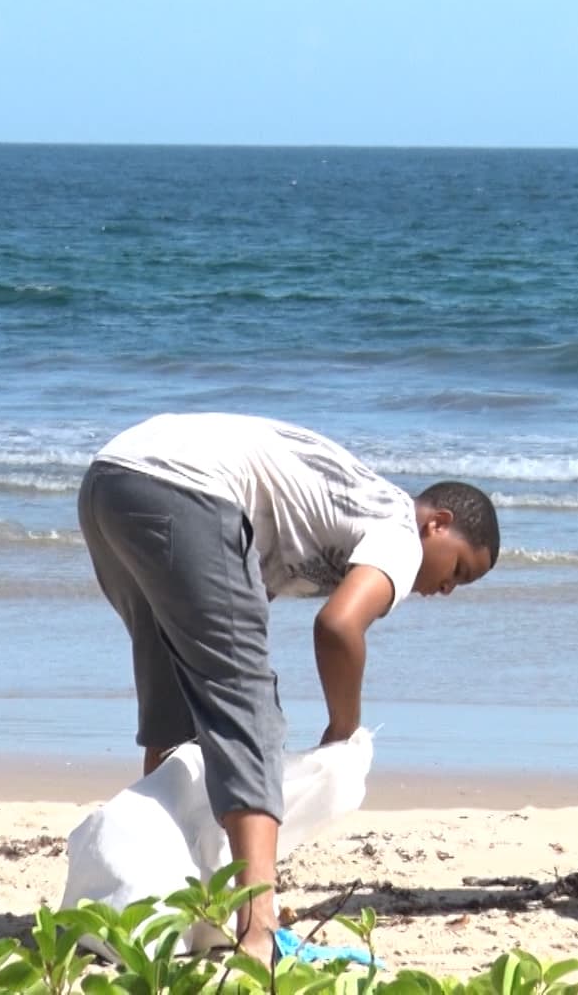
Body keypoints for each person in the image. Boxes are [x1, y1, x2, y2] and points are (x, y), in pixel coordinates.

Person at [76, 412, 501, 961]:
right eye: (460, 571)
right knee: (248, 714)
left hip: (110, 483)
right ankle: (258, 933)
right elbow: (339, 625)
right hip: (187, 489)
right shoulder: (400, 531)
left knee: (178, 705)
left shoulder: (340, 511)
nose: (446, 589)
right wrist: (343, 730)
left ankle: (156, 897)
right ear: (437, 524)